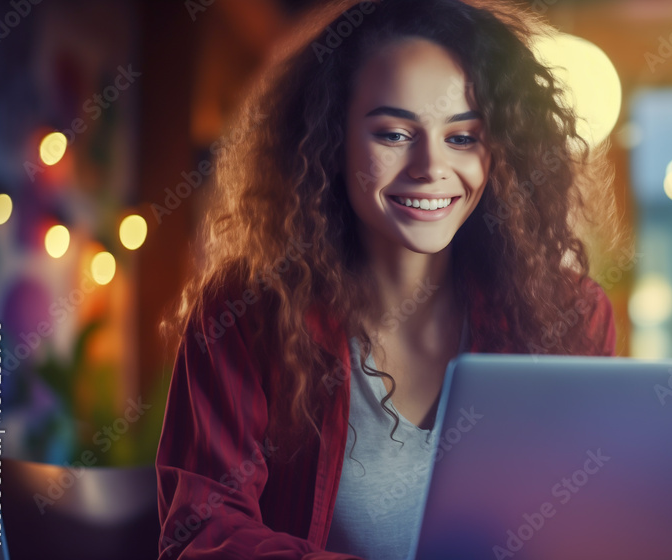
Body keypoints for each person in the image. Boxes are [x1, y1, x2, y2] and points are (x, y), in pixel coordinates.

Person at [155, 0, 626, 558]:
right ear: (331, 140)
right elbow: (203, 534)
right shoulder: (246, 310)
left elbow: (592, 525)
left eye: (462, 137)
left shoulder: (569, 316)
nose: (431, 167)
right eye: (395, 134)